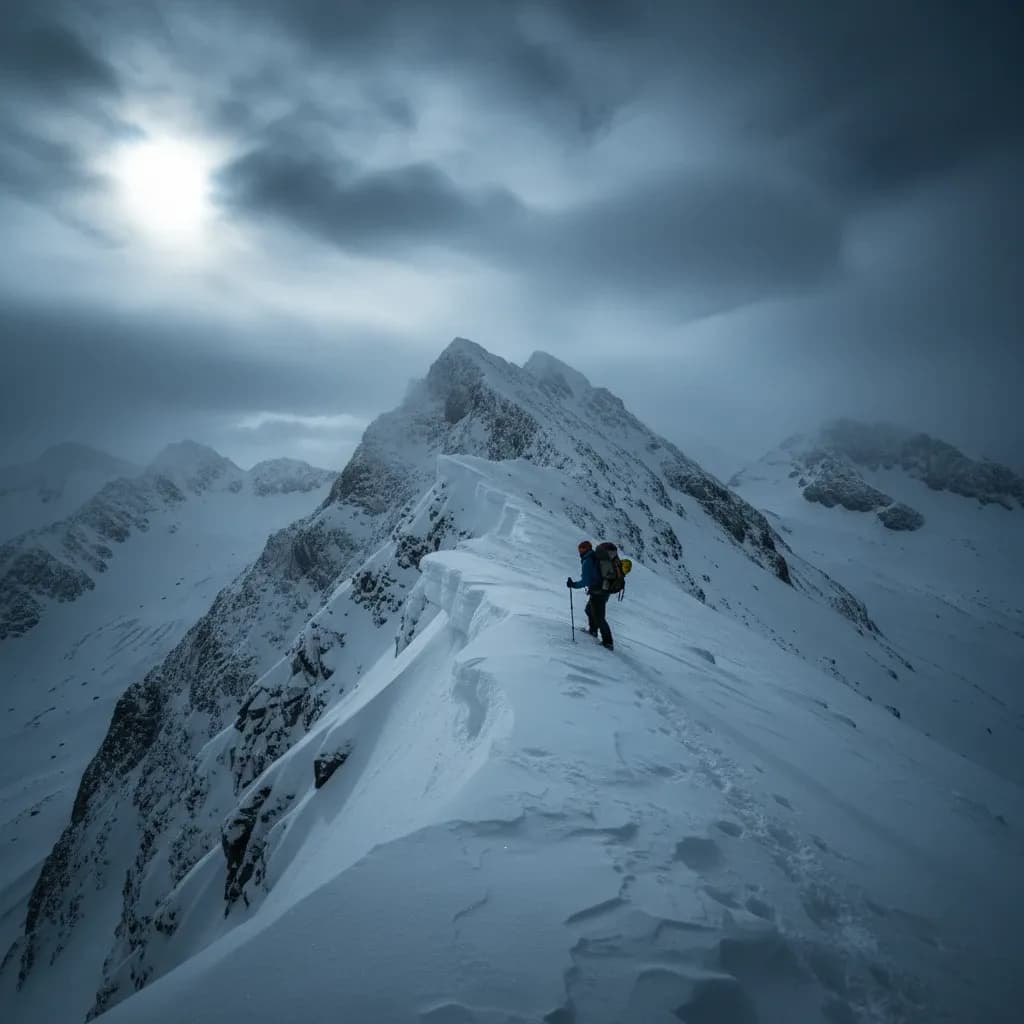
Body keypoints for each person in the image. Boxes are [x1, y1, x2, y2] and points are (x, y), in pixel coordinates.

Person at [567, 539, 613, 650]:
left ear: (586, 549)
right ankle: (593, 631)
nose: (579, 552)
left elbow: (586, 581)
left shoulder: (588, 561)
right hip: (601, 590)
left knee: (599, 617)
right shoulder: (593, 557)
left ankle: (608, 642)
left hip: (599, 592)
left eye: (581, 549)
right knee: (589, 610)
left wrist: (573, 585)